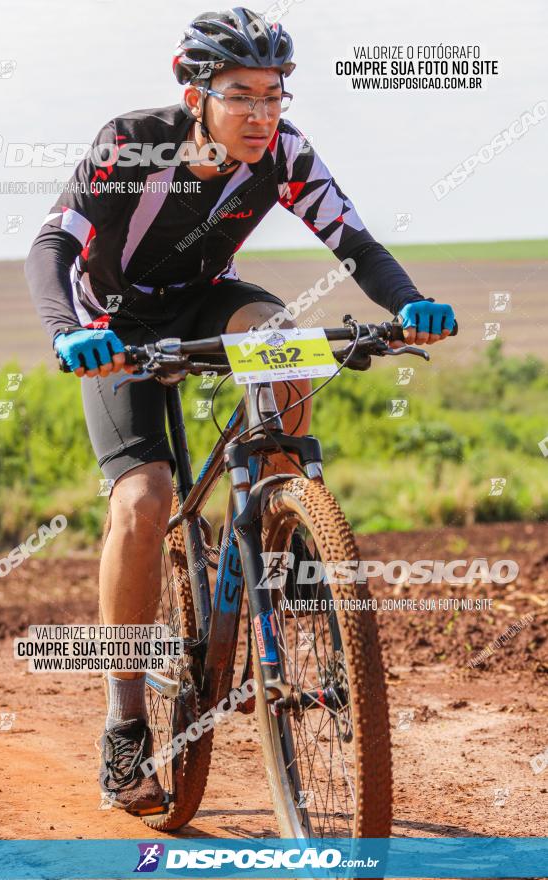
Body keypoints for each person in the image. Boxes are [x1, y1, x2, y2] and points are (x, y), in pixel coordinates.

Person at [24, 6, 455, 816]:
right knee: (145, 501)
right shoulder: (133, 144)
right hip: (113, 327)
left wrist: (411, 303)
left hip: (205, 303)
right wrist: (70, 332)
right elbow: (51, 246)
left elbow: (354, 243)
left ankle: (280, 535)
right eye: (240, 95)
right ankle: (123, 729)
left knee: (291, 344)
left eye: (274, 95)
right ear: (195, 93)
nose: (261, 114)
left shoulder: (284, 153)